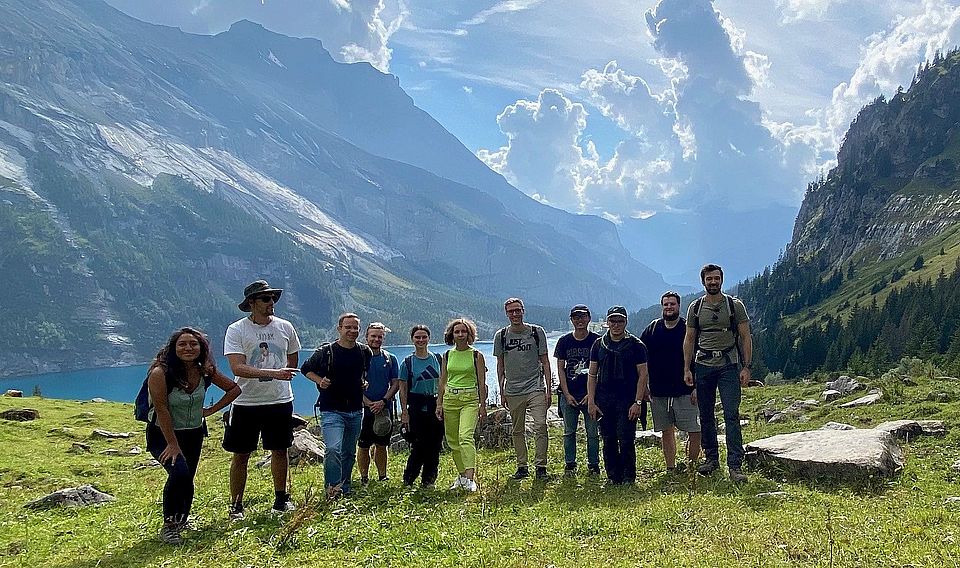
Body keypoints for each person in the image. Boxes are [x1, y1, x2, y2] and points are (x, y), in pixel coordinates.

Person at [146, 327, 240, 544]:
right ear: (173, 348)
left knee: (187, 477)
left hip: (193, 433)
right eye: (182, 344)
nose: (188, 348)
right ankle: (169, 525)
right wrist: (172, 443)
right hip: (163, 434)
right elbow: (161, 409)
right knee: (179, 473)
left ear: (201, 348)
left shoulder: (204, 371)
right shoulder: (160, 373)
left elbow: (234, 389)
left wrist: (210, 410)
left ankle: (182, 520)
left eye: (193, 344)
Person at [222, 280, 301, 519]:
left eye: (273, 298)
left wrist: (282, 376)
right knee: (241, 454)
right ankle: (236, 505)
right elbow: (237, 367)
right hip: (246, 402)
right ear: (252, 303)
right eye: (266, 299)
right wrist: (275, 374)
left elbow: (293, 357)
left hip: (279, 400)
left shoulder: (285, 327)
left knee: (280, 450)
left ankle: (281, 499)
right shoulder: (237, 329)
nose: (271, 303)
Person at [683, 263, 753, 483]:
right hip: (703, 365)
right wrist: (687, 368)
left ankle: (735, 464)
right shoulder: (695, 308)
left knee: (731, 414)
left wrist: (746, 366)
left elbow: (746, 336)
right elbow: (689, 339)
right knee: (705, 415)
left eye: (716, 278)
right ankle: (711, 459)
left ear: (721, 280)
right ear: (703, 281)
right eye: (709, 279)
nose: (713, 282)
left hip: (729, 365)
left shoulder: (734, 306)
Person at [301, 313, 373, 498]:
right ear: (339, 329)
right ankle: (332, 489)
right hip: (332, 409)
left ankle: (345, 486)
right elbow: (305, 369)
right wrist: (319, 380)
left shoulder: (364, 352)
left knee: (349, 452)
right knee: (333, 449)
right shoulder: (326, 352)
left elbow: (363, 373)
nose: (352, 331)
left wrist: (364, 382)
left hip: (355, 410)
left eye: (355, 327)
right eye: (348, 327)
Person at [639, 292, 701, 473]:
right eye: (666, 304)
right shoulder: (652, 329)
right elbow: (641, 358)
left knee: (694, 430)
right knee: (666, 431)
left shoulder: (688, 329)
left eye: (672, 304)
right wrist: (644, 387)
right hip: (659, 392)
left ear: (679, 306)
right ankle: (670, 467)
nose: (669, 307)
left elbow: (700, 359)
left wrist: (698, 387)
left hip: (686, 390)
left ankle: (692, 466)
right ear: (662, 307)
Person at [587, 306, 649, 485]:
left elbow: (643, 374)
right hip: (604, 398)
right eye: (612, 321)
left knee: (626, 438)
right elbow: (592, 374)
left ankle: (629, 476)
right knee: (608, 438)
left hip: (627, 398)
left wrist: (638, 402)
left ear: (626, 322)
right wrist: (591, 401)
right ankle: (613, 476)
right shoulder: (598, 344)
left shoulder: (637, 345)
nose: (616, 324)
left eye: (620, 321)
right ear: (607, 322)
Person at [494, 297, 551, 481]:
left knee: (540, 425)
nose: (515, 314)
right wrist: (502, 390)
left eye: (518, 310)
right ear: (506, 314)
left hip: (535, 387)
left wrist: (548, 390)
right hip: (513, 390)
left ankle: (541, 467)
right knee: (517, 430)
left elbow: (545, 361)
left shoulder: (536, 332)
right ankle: (522, 466)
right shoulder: (501, 336)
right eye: (511, 311)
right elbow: (500, 365)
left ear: (523, 311)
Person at [436, 318, 488, 492]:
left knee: (465, 436)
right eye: (457, 331)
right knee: (453, 440)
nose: (460, 334)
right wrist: (439, 403)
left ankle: (470, 479)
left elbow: (481, 382)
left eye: (463, 331)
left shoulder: (476, 355)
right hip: (450, 399)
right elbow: (442, 381)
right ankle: (462, 475)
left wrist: (482, 405)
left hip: (469, 399)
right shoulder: (447, 355)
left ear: (469, 334)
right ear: (452, 334)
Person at [554, 304, 601, 477]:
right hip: (569, 394)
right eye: (576, 317)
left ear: (589, 318)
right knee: (569, 432)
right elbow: (560, 369)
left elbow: (601, 369)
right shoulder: (564, 341)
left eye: (583, 317)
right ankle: (570, 464)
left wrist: (591, 395)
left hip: (591, 395)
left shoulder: (597, 341)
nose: (579, 320)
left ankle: (593, 465)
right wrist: (566, 394)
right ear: (571, 320)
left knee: (592, 432)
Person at [398, 325, 444, 487]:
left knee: (435, 444)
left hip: (436, 405)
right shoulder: (407, 363)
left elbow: (444, 383)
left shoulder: (438, 359)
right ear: (412, 339)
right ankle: (409, 478)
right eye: (417, 337)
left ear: (429, 338)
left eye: (424, 337)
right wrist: (404, 412)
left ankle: (428, 479)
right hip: (417, 407)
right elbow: (403, 389)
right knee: (419, 444)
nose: (421, 340)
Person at [357, 322, 400, 485]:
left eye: (379, 337)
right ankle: (364, 477)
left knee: (382, 444)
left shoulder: (390, 358)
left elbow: (395, 383)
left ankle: (382, 476)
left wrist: (383, 401)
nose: (376, 339)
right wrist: (368, 403)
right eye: (373, 336)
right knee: (363, 445)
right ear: (366, 337)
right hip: (363, 409)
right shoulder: (359, 358)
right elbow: (353, 383)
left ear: (384, 338)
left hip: (384, 409)